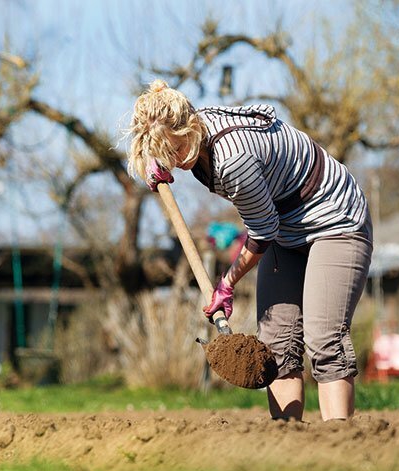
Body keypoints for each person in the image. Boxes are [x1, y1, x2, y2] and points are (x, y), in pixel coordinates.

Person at [127, 80, 373, 421]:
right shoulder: (192, 132)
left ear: (190, 125)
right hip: (286, 229)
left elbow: (261, 233)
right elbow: (269, 226)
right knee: (277, 346)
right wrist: (160, 163)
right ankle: (289, 443)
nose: (174, 160)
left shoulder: (233, 159)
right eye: (163, 152)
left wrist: (226, 284)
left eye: (176, 149)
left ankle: (342, 443)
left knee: (324, 339)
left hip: (334, 222)